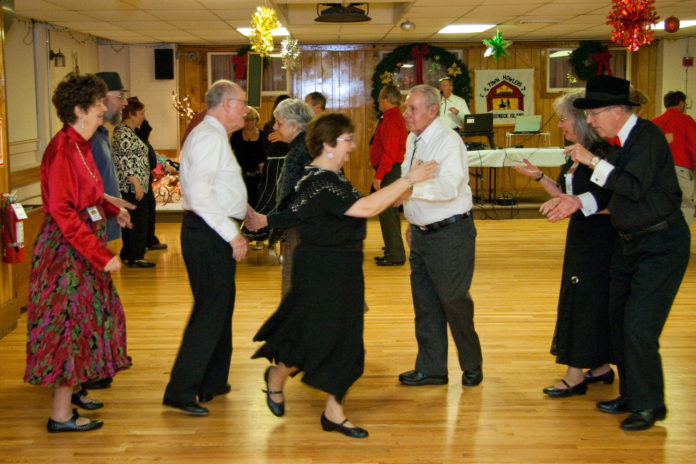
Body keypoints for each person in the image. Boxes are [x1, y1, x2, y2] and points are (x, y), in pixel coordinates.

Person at [251, 113, 437, 439]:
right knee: (315, 340)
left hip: (345, 270)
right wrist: (407, 179)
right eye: (347, 140)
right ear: (328, 144)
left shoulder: (333, 179)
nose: (352, 146)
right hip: (320, 273)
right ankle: (277, 377)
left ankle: (332, 412)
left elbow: (351, 208)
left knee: (346, 343)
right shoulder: (318, 181)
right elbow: (363, 209)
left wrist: (399, 193)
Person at [549, 75, 690, 431]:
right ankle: (631, 395)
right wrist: (575, 202)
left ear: (616, 110)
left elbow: (633, 187)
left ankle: (650, 405)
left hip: (661, 245)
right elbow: (612, 197)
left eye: (595, 113)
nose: (591, 121)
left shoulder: (648, 138)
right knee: (620, 322)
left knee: (640, 326)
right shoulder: (622, 143)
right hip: (629, 242)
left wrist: (592, 163)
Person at [24, 73, 132, 433]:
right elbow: (63, 212)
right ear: (79, 109)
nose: (104, 108)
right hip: (67, 253)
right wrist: (101, 254)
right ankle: (60, 416)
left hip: (82, 249)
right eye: (98, 103)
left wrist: (114, 207)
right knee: (68, 328)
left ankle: (77, 391)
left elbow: (88, 195)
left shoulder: (82, 145)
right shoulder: (61, 149)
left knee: (90, 321)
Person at [511, 91, 615, 398]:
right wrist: (538, 176)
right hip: (581, 235)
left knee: (584, 300)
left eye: (563, 118)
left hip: (600, 238)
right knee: (586, 298)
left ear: (582, 120)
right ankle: (599, 366)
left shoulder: (601, 155)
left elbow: (613, 198)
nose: (560, 125)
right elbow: (565, 196)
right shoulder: (576, 154)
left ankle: (574, 375)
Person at [162, 80, 249, 416]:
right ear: (226, 104)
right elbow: (198, 195)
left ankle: (213, 380)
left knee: (220, 308)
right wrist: (232, 233)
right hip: (209, 233)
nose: (245, 109)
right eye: (242, 103)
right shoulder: (209, 136)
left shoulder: (213, 136)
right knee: (210, 312)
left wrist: (246, 212)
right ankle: (180, 390)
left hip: (211, 229)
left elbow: (217, 186)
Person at [396, 84, 483, 388]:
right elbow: (413, 178)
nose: (406, 114)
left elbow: (449, 187)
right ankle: (431, 368)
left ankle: (472, 364)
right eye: (407, 108)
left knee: (453, 300)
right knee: (425, 303)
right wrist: (411, 220)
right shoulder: (414, 139)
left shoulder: (448, 141)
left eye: (412, 109)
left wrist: (408, 189)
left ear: (433, 111)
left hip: (450, 234)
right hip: (422, 234)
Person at [245, 99, 314, 296]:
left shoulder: (299, 155)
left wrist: (266, 220)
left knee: (296, 297)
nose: (274, 127)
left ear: (294, 125)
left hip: (306, 236)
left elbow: (295, 207)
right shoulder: (311, 147)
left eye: (279, 123)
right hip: (314, 234)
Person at [112, 97, 155, 268]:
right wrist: (136, 184)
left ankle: (129, 252)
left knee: (135, 218)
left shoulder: (130, 132)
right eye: (141, 113)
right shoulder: (122, 133)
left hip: (139, 184)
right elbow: (124, 162)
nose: (143, 117)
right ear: (131, 114)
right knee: (139, 220)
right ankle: (136, 256)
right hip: (133, 185)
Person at [371, 84, 407, 266]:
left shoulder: (392, 120)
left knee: (387, 213)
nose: (378, 101)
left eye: (379, 98)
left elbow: (390, 152)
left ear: (386, 99)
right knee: (388, 213)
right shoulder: (391, 117)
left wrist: (380, 175)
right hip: (389, 169)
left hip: (390, 170)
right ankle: (392, 248)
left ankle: (395, 254)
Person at [92, 72, 128, 244]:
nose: (125, 102)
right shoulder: (85, 138)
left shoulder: (102, 133)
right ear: (101, 98)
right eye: (120, 96)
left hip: (101, 229)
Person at [651, 90, 696, 225]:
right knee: (685, 205)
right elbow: (694, 144)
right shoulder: (686, 120)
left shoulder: (654, 122)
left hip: (658, 171)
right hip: (681, 168)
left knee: (662, 204)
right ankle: (680, 237)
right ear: (681, 103)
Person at [134, 117, 168, 251]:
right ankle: (143, 245)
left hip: (146, 177)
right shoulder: (136, 135)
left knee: (149, 210)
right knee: (143, 214)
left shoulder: (142, 137)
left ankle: (149, 240)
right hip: (139, 181)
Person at [229, 107, 266, 212]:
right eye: (247, 120)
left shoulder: (263, 136)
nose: (250, 122)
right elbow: (230, 155)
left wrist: (265, 164)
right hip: (240, 178)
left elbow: (268, 156)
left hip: (259, 178)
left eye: (252, 119)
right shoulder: (235, 136)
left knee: (257, 206)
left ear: (256, 120)